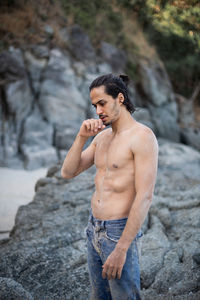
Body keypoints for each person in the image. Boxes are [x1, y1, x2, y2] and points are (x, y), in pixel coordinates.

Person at [61, 74, 158, 300]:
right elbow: (67, 172)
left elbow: (145, 196)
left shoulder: (142, 137)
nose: (98, 111)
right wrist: (81, 137)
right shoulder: (101, 138)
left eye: (102, 103)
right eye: (95, 105)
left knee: (125, 297)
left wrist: (122, 248)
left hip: (118, 232)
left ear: (120, 98)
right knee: (99, 296)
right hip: (93, 228)